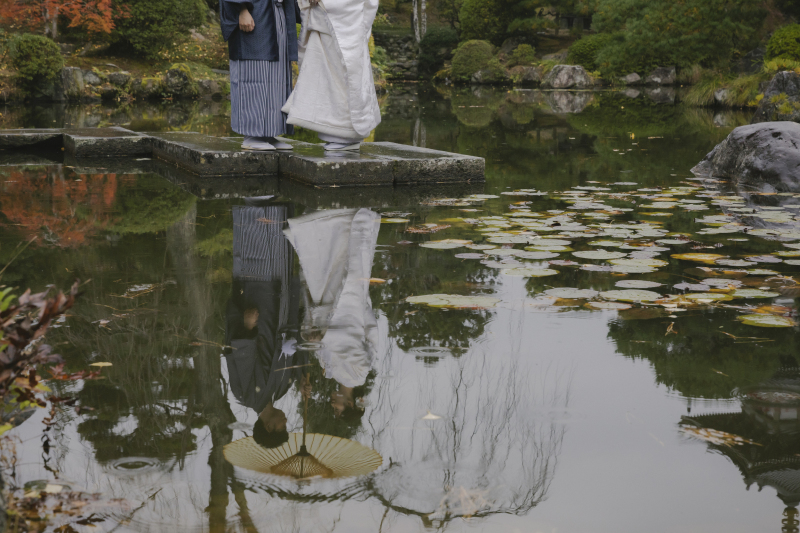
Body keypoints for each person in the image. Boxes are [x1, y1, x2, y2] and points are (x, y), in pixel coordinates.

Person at [225, 202, 311, 449]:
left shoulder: (245, 395)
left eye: (282, 427)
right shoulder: (281, 390)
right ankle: (278, 208)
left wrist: (247, 327)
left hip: (260, 314)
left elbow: (240, 356)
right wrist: (302, 378)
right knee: (280, 257)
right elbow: (292, 356)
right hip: (281, 312)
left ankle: (254, 205)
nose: (286, 422)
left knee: (258, 254)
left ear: (269, 426)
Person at [281, 0, 381, 151]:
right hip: (323, 19)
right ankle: (337, 133)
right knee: (324, 79)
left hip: (343, 22)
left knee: (343, 79)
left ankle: (345, 134)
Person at [219, 0, 300, 151]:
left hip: (278, 13)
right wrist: (241, 9)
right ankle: (251, 135)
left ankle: (269, 133)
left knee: (277, 76)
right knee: (253, 71)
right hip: (254, 11)